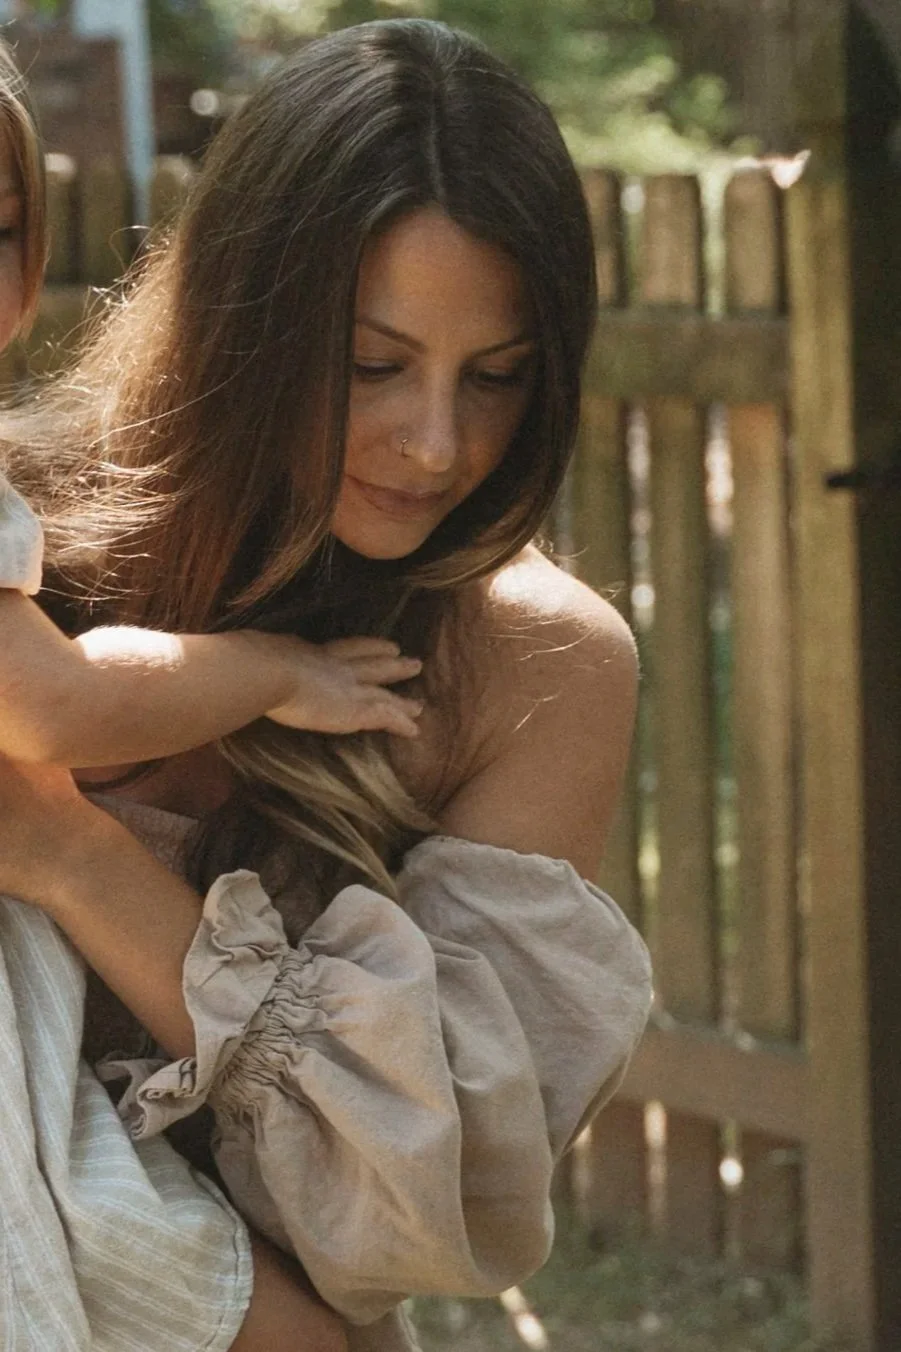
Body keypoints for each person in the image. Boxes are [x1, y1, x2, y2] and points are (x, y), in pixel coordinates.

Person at [0, 18, 652, 1351]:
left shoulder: (539, 665)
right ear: (243, 318)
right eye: (373, 365)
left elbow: (431, 1192)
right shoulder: (22, 544)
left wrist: (70, 854)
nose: (436, 445)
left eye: (498, 378)